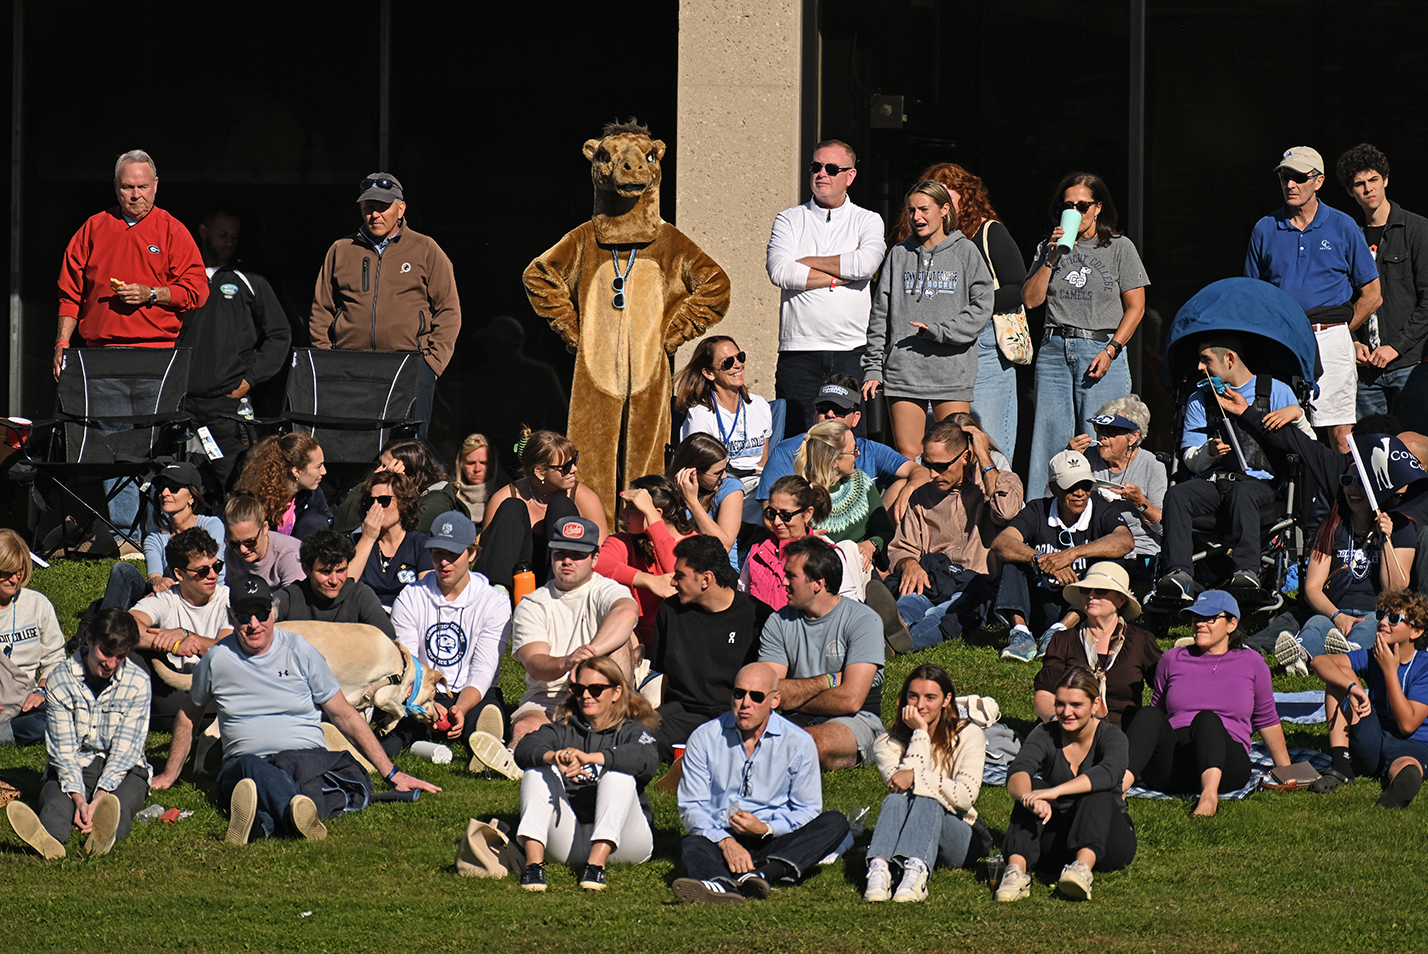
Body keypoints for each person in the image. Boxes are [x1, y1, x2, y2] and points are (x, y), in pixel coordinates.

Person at [155, 576, 440, 838]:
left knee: (299, 771)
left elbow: (344, 714)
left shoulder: (300, 651)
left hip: (304, 760)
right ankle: (297, 816)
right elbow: (189, 715)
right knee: (256, 770)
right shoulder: (217, 659)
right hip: (248, 763)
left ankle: (263, 824)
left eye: (261, 613)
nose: (253, 623)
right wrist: (169, 774)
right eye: (243, 616)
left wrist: (393, 773)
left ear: (274, 613)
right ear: (231, 617)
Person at [52, 150, 209, 543]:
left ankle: (159, 530)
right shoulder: (94, 228)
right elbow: (70, 293)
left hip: (157, 355)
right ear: (116, 188)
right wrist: (62, 342)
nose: (135, 194)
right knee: (114, 446)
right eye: (127, 187)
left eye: (142, 186)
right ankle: (127, 536)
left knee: (156, 445)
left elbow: (197, 290)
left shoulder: (172, 230)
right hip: (102, 356)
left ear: (155, 186)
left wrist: (153, 294)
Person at [672, 662, 850, 904]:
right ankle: (721, 885)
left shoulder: (798, 742)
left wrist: (766, 828)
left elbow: (807, 809)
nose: (745, 703)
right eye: (739, 694)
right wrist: (725, 842)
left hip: (772, 838)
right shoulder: (704, 737)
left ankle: (760, 875)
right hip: (721, 835)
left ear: (774, 700)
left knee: (835, 822)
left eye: (756, 696)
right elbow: (691, 807)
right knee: (693, 843)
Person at [1245, 146, 1381, 451]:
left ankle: (1344, 499)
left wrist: (1339, 331)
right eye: (1284, 177)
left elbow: (1372, 295)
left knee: (1341, 435)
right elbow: (1253, 297)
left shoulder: (1343, 225)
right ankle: (1295, 501)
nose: (1290, 184)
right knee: (1283, 431)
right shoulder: (1265, 228)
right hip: (1284, 344)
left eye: (1299, 177)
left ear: (1318, 181)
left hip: (1331, 339)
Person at [1155, 334, 1308, 601]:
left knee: (1243, 493)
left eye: (1206, 361)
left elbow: (1311, 448)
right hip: (1213, 481)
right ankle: (1179, 575)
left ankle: (1247, 571)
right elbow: (1190, 458)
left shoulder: (1277, 391)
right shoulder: (1198, 399)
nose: (1199, 368)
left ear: (1229, 359)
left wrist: (1297, 415)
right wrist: (1208, 451)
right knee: (1177, 494)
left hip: (1259, 485)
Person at [1023, 172, 1150, 488]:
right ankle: (1042, 522)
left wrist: (1112, 349)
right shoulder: (1047, 248)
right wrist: (1050, 258)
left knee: (1104, 441)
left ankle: (1106, 522)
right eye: (1068, 206)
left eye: (1082, 205)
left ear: (1098, 208)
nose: (1075, 212)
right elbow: (1030, 300)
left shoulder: (1119, 247)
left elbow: (1137, 307)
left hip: (1100, 348)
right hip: (1055, 349)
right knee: (1049, 441)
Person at [309, 173, 460, 437]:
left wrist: (432, 364)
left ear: (400, 208)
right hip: (349, 369)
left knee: (407, 453)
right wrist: (326, 359)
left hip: (408, 367)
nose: (375, 214)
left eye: (383, 207)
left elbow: (448, 309)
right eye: (369, 207)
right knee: (350, 447)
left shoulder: (426, 249)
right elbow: (322, 308)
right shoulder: (341, 249)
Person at [897, 163, 1027, 459]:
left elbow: (1018, 286)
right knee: (938, 448)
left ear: (964, 196)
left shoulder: (988, 232)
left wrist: (969, 308)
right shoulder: (915, 243)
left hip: (983, 348)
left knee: (986, 445)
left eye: (945, 193)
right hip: (930, 348)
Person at [1125, 591, 1291, 816]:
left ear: (1232, 624)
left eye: (1209, 618)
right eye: (1195, 619)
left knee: (1207, 718)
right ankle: (1118, 788)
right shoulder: (1172, 659)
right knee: (1147, 715)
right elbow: (1156, 716)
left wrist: (1286, 769)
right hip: (1175, 766)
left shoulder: (1252, 663)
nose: (1199, 624)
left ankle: (1209, 796)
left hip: (1226, 764)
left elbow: (1266, 718)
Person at [861, 179, 994, 461]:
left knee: (955, 457)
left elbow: (982, 307)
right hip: (904, 371)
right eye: (911, 211)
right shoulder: (899, 255)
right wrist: (873, 367)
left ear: (945, 209)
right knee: (908, 457)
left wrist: (939, 331)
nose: (916, 217)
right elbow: (879, 315)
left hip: (951, 371)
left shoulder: (966, 252)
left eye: (924, 209)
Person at [3, 609, 150, 859]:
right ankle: (50, 839)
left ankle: (102, 836)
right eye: (106, 653)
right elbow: (62, 749)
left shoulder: (138, 682)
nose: (111, 664)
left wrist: (101, 795)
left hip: (125, 769)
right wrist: (79, 798)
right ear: (90, 639)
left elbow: (127, 750)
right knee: (55, 800)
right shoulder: (61, 678)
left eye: (120, 657)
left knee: (118, 806)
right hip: (76, 763)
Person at [766, 138, 887, 433]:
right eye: (816, 166)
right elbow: (780, 272)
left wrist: (805, 261)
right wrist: (838, 276)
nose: (822, 173)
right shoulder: (789, 219)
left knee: (849, 441)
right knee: (797, 441)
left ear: (850, 176)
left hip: (852, 351)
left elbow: (865, 266)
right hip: (799, 352)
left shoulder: (867, 220)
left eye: (832, 168)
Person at [513, 656, 660, 892]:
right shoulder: (564, 730)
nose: (586, 696)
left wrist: (593, 758)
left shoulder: (632, 730)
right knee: (536, 771)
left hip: (624, 843)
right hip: (569, 839)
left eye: (596, 689)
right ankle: (533, 865)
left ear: (616, 692)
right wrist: (555, 757)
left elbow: (647, 758)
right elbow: (524, 748)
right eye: (579, 689)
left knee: (617, 774)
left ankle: (596, 866)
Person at [994, 668, 1136, 903]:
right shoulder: (1045, 734)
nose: (1066, 712)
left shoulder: (1112, 736)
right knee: (1031, 788)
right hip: (1058, 837)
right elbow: (1018, 770)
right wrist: (1031, 797)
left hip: (1108, 839)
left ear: (1095, 704)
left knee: (1095, 791)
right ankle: (1016, 871)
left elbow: (1109, 774)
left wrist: (1055, 791)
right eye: (1060, 704)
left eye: (1076, 705)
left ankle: (1082, 869)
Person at [1276, 437, 1417, 672]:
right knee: (1316, 623)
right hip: (1336, 612)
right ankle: (1300, 655)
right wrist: (1337, 615)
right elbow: (1312, 587)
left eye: (1361, 482)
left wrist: (1386, 540)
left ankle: (1346, 654)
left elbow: (1395, 588)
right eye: (1347, 481)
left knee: (1372, 625)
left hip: (1375, 612)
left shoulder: (1400, 527)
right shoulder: (1332, 526)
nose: (1353, 488)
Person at [175, 209, 291, 486]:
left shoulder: (250, 280)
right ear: (203, 232)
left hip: (227, 405)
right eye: (222, 235)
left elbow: (280, 334)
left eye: (233, 237)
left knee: (237, 481)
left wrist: (249, 380)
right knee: (180, 482)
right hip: (181, 404)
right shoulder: (179, 278)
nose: (228, 242)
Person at [886, 420, 1023, 651]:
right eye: (928, 465)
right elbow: (901, 546)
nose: (932, 474)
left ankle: (899, 645)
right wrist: (908, 563)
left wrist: (983, 455)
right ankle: (881, 632)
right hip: (934, 578)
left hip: (977, 585)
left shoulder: (1004, 483)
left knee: (943, 614)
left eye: (941, 466)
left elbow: (1005, 512)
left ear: (966, 458)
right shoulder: (922, 496)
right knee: (909, 603)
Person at [507, 517, 639, 748]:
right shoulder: (532, 603)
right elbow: (535, 664)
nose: (567, 561)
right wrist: (568, 662)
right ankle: (509, 759)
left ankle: (615, 723)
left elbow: (627, 613)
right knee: (522, 729)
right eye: (560, 553)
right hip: (549, 696)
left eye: (578, 555)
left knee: (619, 639)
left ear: (595, 558)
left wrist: (589, 657)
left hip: (603, 693)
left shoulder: (606, 589)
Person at [992, 449, 1135, 662]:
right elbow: (1002, 542)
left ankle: (1059, 632)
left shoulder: (1103, 511)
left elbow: (1125, 541)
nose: (1080, 493)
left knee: (1110, 561)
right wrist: (1041, 559)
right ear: (1053, 487)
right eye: (1071, 486)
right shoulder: (1037, 509)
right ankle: (1020, 633)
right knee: (1014, 557)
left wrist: (1071, 555)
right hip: (1040, 600)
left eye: (1085, 485)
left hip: (1081, 609)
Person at [757, 538, 885, 770]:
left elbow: (851, 700)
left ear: (817, 583)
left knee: (811, 744)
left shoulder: (863, 620)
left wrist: (791, 696)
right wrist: (829, 681)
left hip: (856, 721)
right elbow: (767, 694)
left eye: (791, 576)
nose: (783, 582)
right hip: (795, 718)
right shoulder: (778, 621)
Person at [388, 512, 509, 755]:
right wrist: (427, 701)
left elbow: (484, 668)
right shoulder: (411, 596)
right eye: (437, 552)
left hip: (473, 692)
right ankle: (363, 757)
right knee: (399, 728)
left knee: (482, 715)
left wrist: (461, 708)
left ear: (472, 554)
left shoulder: (494, 601)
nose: (444, 562)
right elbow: (408, 661)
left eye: (453, 554)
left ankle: (484, 747)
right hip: (421, 690)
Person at [864, 664, 987, 904]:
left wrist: (917, 776)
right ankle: (879, 868)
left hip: (961, 834)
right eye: (914, 696)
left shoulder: (970, 735)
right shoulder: (886, 743)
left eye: (930, 698)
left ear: (946, 699)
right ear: (904, 699)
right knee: (895, 799)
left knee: (928, 799)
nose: (920, 705)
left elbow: (965, 797)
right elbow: (901, 787)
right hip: (909, 826)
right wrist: (921, 733)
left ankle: (916, 874)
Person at [651, 534, 770, 759]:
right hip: (680, 714)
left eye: (680, 576)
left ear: (706, 579)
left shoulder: (757, 616)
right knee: (636, 736)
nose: (672, 582)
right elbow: (667, 676)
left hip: (735, 716)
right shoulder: (670, 611)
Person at [1335, 145, 1428, 431]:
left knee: (1417, 451)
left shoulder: (1417, 229)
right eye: (1359, 184)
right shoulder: (1348, 236)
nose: (1368, 189)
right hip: (1365, 373)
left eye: (1373, 180)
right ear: (1350, 192)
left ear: (1385, 179)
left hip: (1411, 365)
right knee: (1372, 451)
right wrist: (1351, 342)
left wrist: (1395, 348)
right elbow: (1340, 300)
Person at [1310, 590, 1428, 806]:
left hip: (1413, 743)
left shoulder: (1424, 666)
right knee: (1339, 676)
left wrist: (1390, 671)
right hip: (1374, 736)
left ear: (1416, 631)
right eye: (1381, 614)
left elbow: (1408, 725)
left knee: (1407, 764)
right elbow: (1319, 662)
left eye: (1393, 619)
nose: (1383, 622)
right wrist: (1353, 687)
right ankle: (1341, 767)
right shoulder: (1372, 655)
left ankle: (1398, 790)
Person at [756, 376, 920, 520]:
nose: (830, 414)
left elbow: (921, 472)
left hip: (862, 541)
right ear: (815, 413)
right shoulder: (787, 451)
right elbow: (771, 513)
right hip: (808, 539)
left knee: (903, 481)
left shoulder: (871, 450)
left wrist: (909, 489)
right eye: (823, 408)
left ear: (855, 418)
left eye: (839, 410)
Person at [477, 428, 609, 593]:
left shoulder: (584, 497)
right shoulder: (504, 496)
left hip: (565, 586)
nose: (574, 469)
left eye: (575, 459)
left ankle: (562, 597)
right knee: (511, 507)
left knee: (562, 505)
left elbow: (605, 554)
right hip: (515, 584)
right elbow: (486, 555)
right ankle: (496, 597)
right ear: (539, 472)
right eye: (566, 466)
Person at [1034, 562, 1161, 729]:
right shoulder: (1063, 639)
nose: (1091, 595)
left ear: (1121, 600)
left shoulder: (1140, 641)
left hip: (1123, 736)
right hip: (1068, 730)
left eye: (1101, 590)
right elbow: (1045, 694)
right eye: (1086, 590)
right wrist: (1058, 723)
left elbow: (1167, 686)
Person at [129, 527, 232, 731]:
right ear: (179, 573)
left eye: (216, 566)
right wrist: (173, 645)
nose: (212, 575)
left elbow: (227, 652)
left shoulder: (228, 600)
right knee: (131, 652)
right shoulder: (167, 599)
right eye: (202, 571)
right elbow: (122, 629)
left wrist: (189, 637)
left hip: (214, 696)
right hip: (172, 690)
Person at [100, 460, 225, 611]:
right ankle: (105, 627)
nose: (164, 493)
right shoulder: (155, 538)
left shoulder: (211, 525)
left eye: (174, 488)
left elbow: (207, 569)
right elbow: (154, 575)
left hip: (208, 596)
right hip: (170, 598)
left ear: (192, 497)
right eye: (160, 488)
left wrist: (170, 590)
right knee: (122, 570)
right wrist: (158, 583)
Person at [1066, 396, 1167, 581]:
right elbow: (1052, 501)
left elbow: (1164, 528)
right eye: (1099, 428)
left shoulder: (1152, 465)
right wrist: (1067, 461)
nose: (1103, 436)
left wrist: (1140, 501)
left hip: (1138, 548)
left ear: (1133, 437)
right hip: (1090, 544)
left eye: (1112, 431)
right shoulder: (1084, 457)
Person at [595, 476, 695, 651]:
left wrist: (652, 518)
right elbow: (598, 563)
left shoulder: (695, 543)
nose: (623, 514)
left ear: (657, 513)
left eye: (632, 508)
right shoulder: (624, 541)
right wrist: (648, 580)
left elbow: (676, 571)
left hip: (679, 641)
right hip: (633, 637)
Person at [676, 336, 773, 515]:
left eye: (740, 357)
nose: (738, 365)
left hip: (757, 483)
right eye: (728, 362)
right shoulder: (701, 415)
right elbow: (699, 470)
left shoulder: (759, 405)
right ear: (709, 373)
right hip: (719, 485)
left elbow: (763, 460)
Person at [739, 476, 862, 609]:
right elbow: (742, 599)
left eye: (786, 515)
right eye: (772, 513)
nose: (776, 522)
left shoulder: (827, 554)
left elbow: (847, 604)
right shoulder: (756, 552)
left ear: (808, 514)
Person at [795, 419, 895, 574]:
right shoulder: (800, 495)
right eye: (853, 450)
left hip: (862, 568)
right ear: (835, 461)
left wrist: (871, 545)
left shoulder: (861, 482)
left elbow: (885, 530)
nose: (858, 454)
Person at [0, 529, 65, 747]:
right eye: (7, 572)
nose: (14, 579)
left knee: (62, 716)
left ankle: (6, 733)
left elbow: (55, 659)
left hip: (26, 696)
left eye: (19, 571)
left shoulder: (38, 604)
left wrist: (41, 690)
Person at [274, 530, 396, 638]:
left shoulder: (360, 595)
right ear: (306, 569)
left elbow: (386, 634)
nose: (334, 580)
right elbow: (260, 626)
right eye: (325, 572)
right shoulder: (289, 598)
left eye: (341, 571)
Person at [334, 439, 468, 535]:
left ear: (408, 475)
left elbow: (413, 527)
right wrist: (373, 487)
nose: (377, 472)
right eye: (379, 465)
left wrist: (399, 486)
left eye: (385, 467)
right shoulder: (376, 484)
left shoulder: (438, 496)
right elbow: (341, 523)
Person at [348, 470, 432, 609]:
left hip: (406, 615)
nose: (375, 507)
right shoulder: (355, 543)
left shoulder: (421, 545)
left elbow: (427, 595)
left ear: (403, 503)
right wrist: (368, 538)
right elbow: (345, 588)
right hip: (364, 616)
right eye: (370, 501)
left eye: (384, 500)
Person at [234, 433, 333, 540]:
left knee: (316, 518)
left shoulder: (312, 493)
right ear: (297, 471)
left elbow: (328, 523)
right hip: (264, 552)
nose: (324, 471)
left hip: (298, 553)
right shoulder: (258, 498)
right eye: (318, 466)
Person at [666, 432, 743, 564]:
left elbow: (724, 547)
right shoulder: (666, 489)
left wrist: (692, 502)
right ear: (693, 472)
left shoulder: (729, 487)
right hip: (676, 563)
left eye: (725, 469)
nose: (724, 476)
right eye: (717, 473)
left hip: (718, 568)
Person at [222, 492, 304, 590]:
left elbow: (294, 601)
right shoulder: (231, 552)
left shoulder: (289, 555)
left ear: (265, 528)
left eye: (250, 542)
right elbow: (230, 591)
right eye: (234, 544)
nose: (243, 549)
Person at [453, 433, 503, 524]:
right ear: (461, 464)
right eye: (471, 463)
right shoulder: (450, 498)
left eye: (483, 463)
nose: (477, 469)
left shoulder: (506, 497)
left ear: (493, 464)